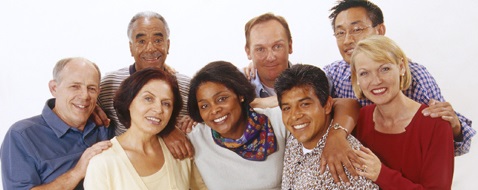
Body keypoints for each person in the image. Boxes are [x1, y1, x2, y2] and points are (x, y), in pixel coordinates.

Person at [320, 0, 474, 183]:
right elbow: (303, 100)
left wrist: (453, 127)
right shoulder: (333, 74)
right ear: (356, 78)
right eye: (340, 32)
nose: (347, 40)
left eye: (356, 29)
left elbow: (446, 136)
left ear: (380, 31)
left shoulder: (417, 78)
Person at [350, 35, 454, 189]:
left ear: (401, 68)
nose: (376, 80)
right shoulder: (359, 119)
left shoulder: (436, 124)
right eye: (365, 73)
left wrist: (381, 174)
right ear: (356, 78)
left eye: (384, 69)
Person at [84, 68, 206, 189]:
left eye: (166, 103)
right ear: (129, 102)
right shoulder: (102, 163)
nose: (158, 109)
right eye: (148, 99)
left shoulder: (180, 151)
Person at [0, 57, 111, 189]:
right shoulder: (22, 136)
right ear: (54, 88)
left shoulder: (104, 126)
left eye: (91, 88)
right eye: (75, 86)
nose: (85, 96)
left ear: (98, 92)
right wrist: (77, 173)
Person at [97, 11, 195, 159]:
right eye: (141, 41)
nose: (150, 48)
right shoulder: (109, 84)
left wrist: (198, 119)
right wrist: (91, 109)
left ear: (167, 45)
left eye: (157, 40)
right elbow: (82, 108)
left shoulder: (187, 85)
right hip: (127, 168)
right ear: (131, 48)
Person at [187, 61, 288, 189]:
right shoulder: (196, 140)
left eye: (221, 99)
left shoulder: (277, 120)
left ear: (240, 94)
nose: (214, 110)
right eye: (204, 106)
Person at [275, 64, 378, 189]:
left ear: (328, 105)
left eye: (305, 104)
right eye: (287, 108)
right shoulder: (294, 139)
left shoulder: (347, 159)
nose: (294, 116)